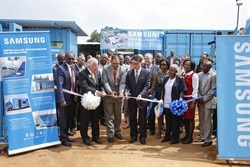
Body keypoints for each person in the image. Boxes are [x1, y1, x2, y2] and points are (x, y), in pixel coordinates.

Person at [78, 57, 106, 146]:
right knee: (85, 120)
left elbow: (100, 84)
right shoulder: (82, 73)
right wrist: (95, 92)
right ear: (89, 66)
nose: (97, 68)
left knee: (95, 119)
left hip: (96, 101)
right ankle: (85, 137)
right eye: (95, 66)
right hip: (86, 101)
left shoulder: (97, 72)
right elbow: (84, 86)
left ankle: (96, 137)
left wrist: (102, 91)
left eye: (97, 66)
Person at [124, 55, 151, 145]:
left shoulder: (146, 73)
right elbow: (127, 86)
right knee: (132, 118)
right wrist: (126, 92)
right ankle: (133, 136)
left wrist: (141, 94)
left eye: (136, 63)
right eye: (132, 63)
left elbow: (147, 86)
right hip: (132, 99)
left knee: (142, 119)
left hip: (142, 99)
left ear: (140, 63)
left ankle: (142, 137)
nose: (134, 65)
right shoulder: (129, 73)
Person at [102, 55, 126, 143]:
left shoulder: (123, 69)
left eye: (117, 63)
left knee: (118, 116)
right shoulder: (105, 69)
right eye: (114, 63)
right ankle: (110, 134)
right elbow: (105, 82)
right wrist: (110, 92)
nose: (116, 65)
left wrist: (120, 92)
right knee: (109, 116)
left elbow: (123, 82)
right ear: (110, 62)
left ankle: (117, 132)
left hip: (119, 97)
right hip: (108, 96)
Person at [161, 64, 187, 144]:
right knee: (168, 121)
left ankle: (175, 138)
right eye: (170, 70)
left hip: (175, 105)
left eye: (173, 70)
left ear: (176, 71)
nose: (171, 71)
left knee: (175, 122)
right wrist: (161, 100)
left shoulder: (180, 79)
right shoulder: (165, 79)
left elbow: (182, 91)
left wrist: (180, 101)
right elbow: (163, 90)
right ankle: (167, 136)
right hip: (166, 104)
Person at [56, 52, 76, 147]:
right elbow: (59, 85)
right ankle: (63, 139)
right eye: (69, 59)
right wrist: (61, 99)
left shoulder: (73, 67)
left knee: (69, 118)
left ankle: (66, 135)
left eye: (72, 59)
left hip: (72, 98)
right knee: (63, 119)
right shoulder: (61, 69)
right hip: (64, 99)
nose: (71, 60)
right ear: (65, 59)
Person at [197, 60, 216, 147]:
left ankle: (208, 139)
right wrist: (199, 96)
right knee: (201, 119)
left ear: (209, 67)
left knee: (208, 120)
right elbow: (197, 87)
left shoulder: (214, 75)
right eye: (202, 66)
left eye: (205, 66)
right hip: (200, 100)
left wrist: (203, 98)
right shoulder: (199, 75)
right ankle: (202, 136)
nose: (202, 67)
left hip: (209, 101)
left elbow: (213, 90)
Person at [150, 59, 170, 139]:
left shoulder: (170, 73)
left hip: (168, 94)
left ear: (167, 65)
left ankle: (168, 131)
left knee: (168, 113)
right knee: (159, 113)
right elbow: (153, 85)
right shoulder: (157, 73)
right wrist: (151, 94)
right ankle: (159, 131)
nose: (162, 66)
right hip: (159, 94)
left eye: (164, 64)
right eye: (161, 64)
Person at [181, 59, 199, 144]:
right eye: (185, 64)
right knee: (185, 118)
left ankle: (190, 137)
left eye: (188, 65)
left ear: (192, 66)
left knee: (190, 118)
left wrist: (193, 102)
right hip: (183, 99)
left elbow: (195, 89)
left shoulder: (194, 75)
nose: (186, 66)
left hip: (190, 99)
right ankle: (186, 135)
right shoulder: (183, 74)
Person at [144, 53, 160, 135]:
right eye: (145, 58)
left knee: (151, 111)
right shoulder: (142, 67)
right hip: (143, 92)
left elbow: (158, 81)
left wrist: (152, 89)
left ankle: (152, 129)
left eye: (148, 58)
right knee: (142, 110)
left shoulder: (156, 68)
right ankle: (143, 127)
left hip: (153, 92)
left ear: (152, 59)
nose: (147, 60)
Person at [73, 53, 86, 130]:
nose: (83, 61)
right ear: (77, 60)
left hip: (83, 93)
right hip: (75, 92)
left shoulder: (84, 69)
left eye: (84, 60)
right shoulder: (73, 68)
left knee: (81, 110)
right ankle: (74, 126)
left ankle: (80, 124)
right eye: (82, 60)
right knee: (75, 110)